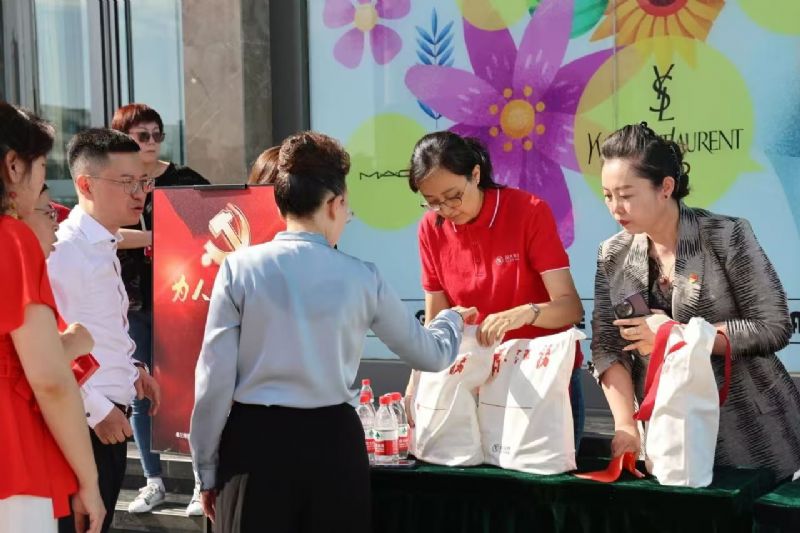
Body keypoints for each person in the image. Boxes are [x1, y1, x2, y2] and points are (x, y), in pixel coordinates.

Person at [189, 131, 475, 533]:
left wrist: (205, 468)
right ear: (334, 204)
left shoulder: (240, 268)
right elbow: (430, 354)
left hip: (255, 444)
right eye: (347, 208)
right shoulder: (362, 277)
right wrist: (452, 319)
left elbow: (213, 380)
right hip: (332, 444)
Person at [591, 122, 800, 481]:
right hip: (670, 436)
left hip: (751, 432)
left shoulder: (725, 235)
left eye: (626, 194)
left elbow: (773, 326)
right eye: (607, 195)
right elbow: (607, 347)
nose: (615, 207)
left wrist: (677, 335)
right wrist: (626, 425)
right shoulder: (613, 254)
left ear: (665, 187)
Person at [403, 131, 586, 446]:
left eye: (453, 196)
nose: (446, 209)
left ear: (475, 174)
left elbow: (570, 307)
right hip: (477, 383)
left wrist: (524, 314)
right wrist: (416, 382)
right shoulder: (431, 229)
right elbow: (436, 323)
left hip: (541, 382)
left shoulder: (528, 212)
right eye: (433, 202)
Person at [47, 129, 161, 533]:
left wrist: (133, 369)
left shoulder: (102, 242)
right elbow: (49, 347)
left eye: (143, 181)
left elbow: (100, 330)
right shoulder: (66, 251)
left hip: (107, 417)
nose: (139, 193)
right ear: (85, 184)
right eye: (126, 182)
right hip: (85, 426)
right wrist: (96, 410)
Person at [0, 102, 104, 533]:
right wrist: (89, 480)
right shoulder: (11, 240)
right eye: (41, 165)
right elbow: (50, 380)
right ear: (13, 166)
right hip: (12, 453)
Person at [110, 103, 209, 516]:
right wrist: (155, 236)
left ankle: (202, 483)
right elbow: (105, 233)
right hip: (133, 301)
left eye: (156, 134)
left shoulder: (183, 179)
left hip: (182, 298)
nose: (151, 143)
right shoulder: (116, 181)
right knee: (139, 391)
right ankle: (153, 481)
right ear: (124, 139)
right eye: (141, 136)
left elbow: (213, 220)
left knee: (191, 389)